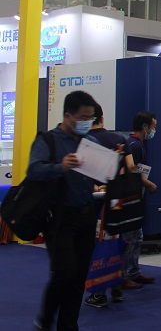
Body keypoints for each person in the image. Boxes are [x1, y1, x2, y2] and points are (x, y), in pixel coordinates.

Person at [28, 90, 99, 331]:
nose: (87, 122)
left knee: (78, 278)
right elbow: (34, 170)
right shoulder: (48, 140)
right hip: (59, 218)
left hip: (87, 215)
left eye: (90, 118)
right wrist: (60, 167)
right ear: (67, 115)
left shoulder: (90, 142)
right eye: (83, 117)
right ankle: (45, 320)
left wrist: (112, 162)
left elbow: (101, 172)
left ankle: (68, 326)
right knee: (64, 272)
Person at [84, 103, 127, 308]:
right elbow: (127, 169)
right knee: (116, 243)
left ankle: (98, 293)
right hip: (115, 201)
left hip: (93, 204)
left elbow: (84, 174)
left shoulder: (85, 142)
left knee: (97, 247)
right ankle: (117, 287)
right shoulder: (118, 138)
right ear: (102, 118)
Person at [118, 111, 158, 290]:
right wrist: (149, 184)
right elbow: (131, 170)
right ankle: (124, 275)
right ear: (145, 126)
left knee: (137, 236)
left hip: (135, 195)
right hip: (129, 197)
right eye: (153, 127)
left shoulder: (136, 144)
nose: (154, 130)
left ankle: (133, 272)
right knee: (130, 237)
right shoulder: (134, 145)